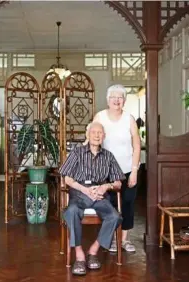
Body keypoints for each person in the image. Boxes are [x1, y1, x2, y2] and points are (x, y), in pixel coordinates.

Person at [59, 122, 125, 276]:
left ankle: (93, 251)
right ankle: (80, 255)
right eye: (93, 132)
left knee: (115, 216)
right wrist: (84, 190)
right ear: (87, 135)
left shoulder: (109, 156)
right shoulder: (77, 152)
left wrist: (105, 187)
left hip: (100, 194)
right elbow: (67, 178)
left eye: (100, 133)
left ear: (104, 136)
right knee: (72, 211)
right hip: (80, 192)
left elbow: (118, 183)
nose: (96, 135)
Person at [94, 84, 141, 253]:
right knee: (109, 205)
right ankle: (113, 238)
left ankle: (124, 240)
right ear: (107, 100)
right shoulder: (100, 117)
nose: (116, 100)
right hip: (106, 171)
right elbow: (92, 138)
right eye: (113, 97)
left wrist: (134, 170)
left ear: (124, 101)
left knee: (128, 204)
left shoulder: (129, 118)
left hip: (128, 169)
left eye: (120, 97)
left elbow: (136, 145)